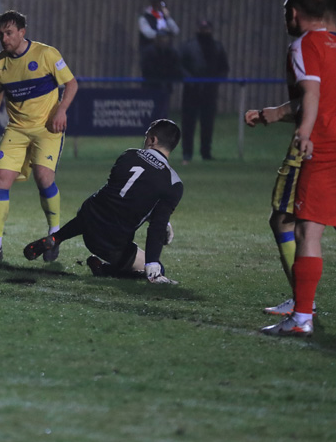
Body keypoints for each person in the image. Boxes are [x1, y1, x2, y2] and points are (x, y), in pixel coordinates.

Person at [243, 0, 336, 318]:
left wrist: (303, 131)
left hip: (319, 146)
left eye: (287, 13)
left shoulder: (303, 45)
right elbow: (323, 96)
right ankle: (302, 304)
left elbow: (312, 95)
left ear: (294, 13)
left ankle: (302, 305)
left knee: (289, 221)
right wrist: (279, 113)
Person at [0, 10, 79, 261]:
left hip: (47, 129)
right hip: (16, 130)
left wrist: (61, 110)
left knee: (43, 177)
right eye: (1, 34)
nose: (4, 38)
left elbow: (71, 84)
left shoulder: (46, 54)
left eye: (9, 33)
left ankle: (54, 237)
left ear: (22, 32)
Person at [23, 119, 183, 284]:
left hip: (87, 220)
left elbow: (121, 197)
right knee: (156, 268)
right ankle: (104, 268)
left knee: (100, 207)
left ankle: (56, 238)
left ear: (152, 140)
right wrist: (153, 266)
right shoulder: (173, 183)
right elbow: (155, 226)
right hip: (110, 245)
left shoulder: (129, 155)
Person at [179, 19, 230, 163]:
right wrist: (189, 79)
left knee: (207, 124)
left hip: (209, 92)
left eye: (206, 28)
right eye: (202, 28)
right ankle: (187, 154)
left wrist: (216, 82)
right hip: (191, 92)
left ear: (211, 29)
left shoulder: (217, 47)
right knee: (188, 124)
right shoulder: (188, 46)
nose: (204, 31)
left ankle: (206, 153)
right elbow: (179, 65)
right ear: (197, 29)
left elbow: (224, 68)